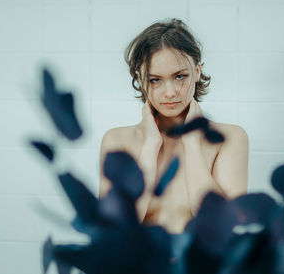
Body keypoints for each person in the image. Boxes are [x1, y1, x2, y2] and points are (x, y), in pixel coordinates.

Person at [99, 18, 249, 234]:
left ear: (197, 71)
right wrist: (150, 147)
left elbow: (223, 227)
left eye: (179, 76)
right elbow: (114, 229)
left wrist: (192, 143)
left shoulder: (229, 138)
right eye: (155, 80)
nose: (169, 92)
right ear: (139, 79)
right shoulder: (117, 140)